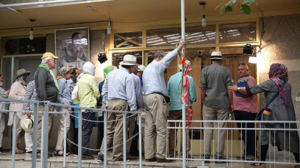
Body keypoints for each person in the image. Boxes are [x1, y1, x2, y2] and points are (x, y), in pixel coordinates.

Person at [228, 63, 300, 167]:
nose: (268, 72)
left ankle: (261, 161)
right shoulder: (287, 85)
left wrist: (237, 89)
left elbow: (252, 90)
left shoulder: (271, 83)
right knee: (291, 137)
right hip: (287, 117)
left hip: (272, 116)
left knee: (264, 136)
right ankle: (298, 162)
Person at [142, 39, 185, 162]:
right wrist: (179, 47)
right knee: (161, 128)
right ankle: (161, 156)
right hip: (156, 98)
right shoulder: (157, 65)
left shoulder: (147, 68)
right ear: (160, 57)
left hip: (147, 98)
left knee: (150, 129)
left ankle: (149, 155)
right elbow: (169, 58)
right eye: (164, 57)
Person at [98, 55, 138, 162]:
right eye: (134, 67)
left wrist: (106, 102)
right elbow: (131, 95)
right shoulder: (128, 76)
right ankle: (117, 156)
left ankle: (101, 154)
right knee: (119, 131)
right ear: (131, 67)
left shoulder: (111, 74)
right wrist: (133, 110)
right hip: (122, 102)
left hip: (110, 102)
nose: (135, 69)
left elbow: (104, 90)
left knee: (109, 129)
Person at [200, 51, 233, 163]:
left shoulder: (205, 70)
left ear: (211, 60)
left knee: (208, 128)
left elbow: (203, 88)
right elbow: (229, 88)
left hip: (208, 102)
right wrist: (231, 103)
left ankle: (206, 156)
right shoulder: (226, 70)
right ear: (221, 60)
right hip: (222, 103)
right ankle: (219, 156)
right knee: (221, 129)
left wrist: (204, 100)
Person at [167, 60, 197, 158]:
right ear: (188, 68)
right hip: (186, 107)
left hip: (173, 108)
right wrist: (192, 99)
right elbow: (192, 97)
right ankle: (184, 152)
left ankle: (172, 152)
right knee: (185, 130)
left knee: (173, 130)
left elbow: (168, 94)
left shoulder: (171, 78)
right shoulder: (189, 78)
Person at [34, 52, 60, 158]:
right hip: (44, 104)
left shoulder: (45, 71)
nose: (55, 62)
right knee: (42, 127)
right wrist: (45, 102)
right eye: (54, 60)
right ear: (48, 61)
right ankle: (39, 151)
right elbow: (41, 88)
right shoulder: (42, 71)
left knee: (47, 126)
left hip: (48, 104)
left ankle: (43, 149)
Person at [232, 63, 258, 160]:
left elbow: (250, 91)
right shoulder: (239, 80)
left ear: (248, 71)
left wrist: (236, 88)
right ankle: (247, 153)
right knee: (244, 132)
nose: (240, 71)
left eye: (242, 69)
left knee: (249, 132)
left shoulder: (250, 79)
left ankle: (251, 154)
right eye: (239, 69)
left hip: (247, 110)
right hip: (238, 110)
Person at [74, 62, 100, 160]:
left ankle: (83, 151)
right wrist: (98, 96)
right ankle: (84, 153)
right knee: (87, 130)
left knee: (84, 129)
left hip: (82, 106)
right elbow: (96, 92)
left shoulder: (81, 79)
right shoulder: (91, 78)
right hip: (89, 106)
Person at [8, 69, 33, 154]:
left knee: (21, 130)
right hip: (16, 110)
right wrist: (22, 98)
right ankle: (14, 147)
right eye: (25, 75)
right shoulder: (16, 84)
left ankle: (17, 146)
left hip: (22, 111)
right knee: (16, 129)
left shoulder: (24, 85)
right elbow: (11, 96)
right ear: (21, 76)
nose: (27, 77)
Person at [54, 65, 74, 156]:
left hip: (65, 107)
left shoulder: (65, 81)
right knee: (65, 126)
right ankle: (58, 149)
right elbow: (58, 94)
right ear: (65, 73)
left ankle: (59, 148)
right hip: (63, 108)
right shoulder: (62, 81)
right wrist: (63, 103)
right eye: (69, 73)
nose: (71, 74)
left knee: (63, 127)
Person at [96, 66, 116, 150]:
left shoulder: (101, 83)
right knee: (109, 128)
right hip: (109, 107)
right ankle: (108, 147)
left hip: (102, 108)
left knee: (102, 128)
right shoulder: (111, 83)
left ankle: (100, 148)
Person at [0, 73, 9, 153]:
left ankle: (0, 146)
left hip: (2, 111)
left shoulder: (1, 88)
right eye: (1, 77)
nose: (2, 79)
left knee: (1, 129)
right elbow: (2, 96)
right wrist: (7, 92)